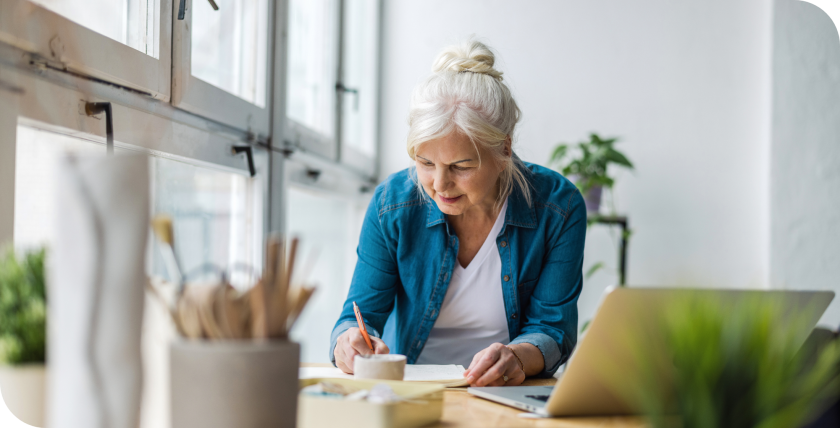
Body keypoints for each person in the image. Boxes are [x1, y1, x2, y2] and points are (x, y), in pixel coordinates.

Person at [330, 39, 586, 387]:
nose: (439, 185)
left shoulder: (558, 207)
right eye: (424, 163)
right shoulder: (392, 204)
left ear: (504, 151)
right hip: (410, 389)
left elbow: (553, 329)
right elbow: (357, 316)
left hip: (506, 390)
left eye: (461, 166)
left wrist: (516, 356)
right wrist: (348, 343)